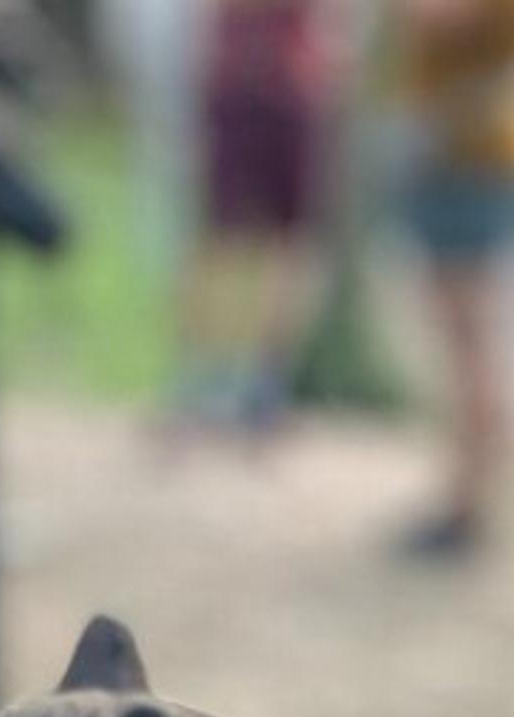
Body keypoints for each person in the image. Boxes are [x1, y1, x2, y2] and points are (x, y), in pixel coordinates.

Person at [386, 0, 514, 555]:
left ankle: (471, 502)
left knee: (472, 341)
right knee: (472, 340)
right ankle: (471, 492)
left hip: (472, 157)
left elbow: (438, 15)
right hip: (478, 149)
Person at [172, 0, 331, 438]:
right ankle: (204, 380)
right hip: (239, 88)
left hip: (289, 88)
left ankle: (265, 386)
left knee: (290, 245)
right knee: (220, 244)